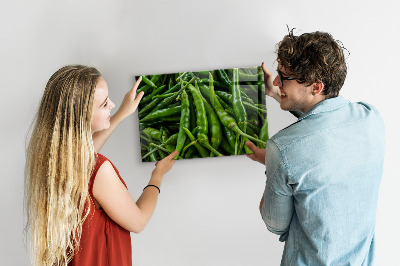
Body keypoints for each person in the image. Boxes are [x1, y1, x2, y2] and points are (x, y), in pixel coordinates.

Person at [245, 30, 385, 265]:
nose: (277, 81)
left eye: (284, 77)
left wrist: (273, 163)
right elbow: (324, 125)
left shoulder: (282, 149)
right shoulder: (372, 118)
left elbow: (274, 224)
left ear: (316, 87)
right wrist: (277, 94)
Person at [24, 65, 178, 266]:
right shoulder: (100, 170)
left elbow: (85, 157)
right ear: (82, 117)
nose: (113, 104)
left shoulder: (52, 159)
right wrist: (157, 175)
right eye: (105, 104)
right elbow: (138, 221)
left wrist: (122, 113)